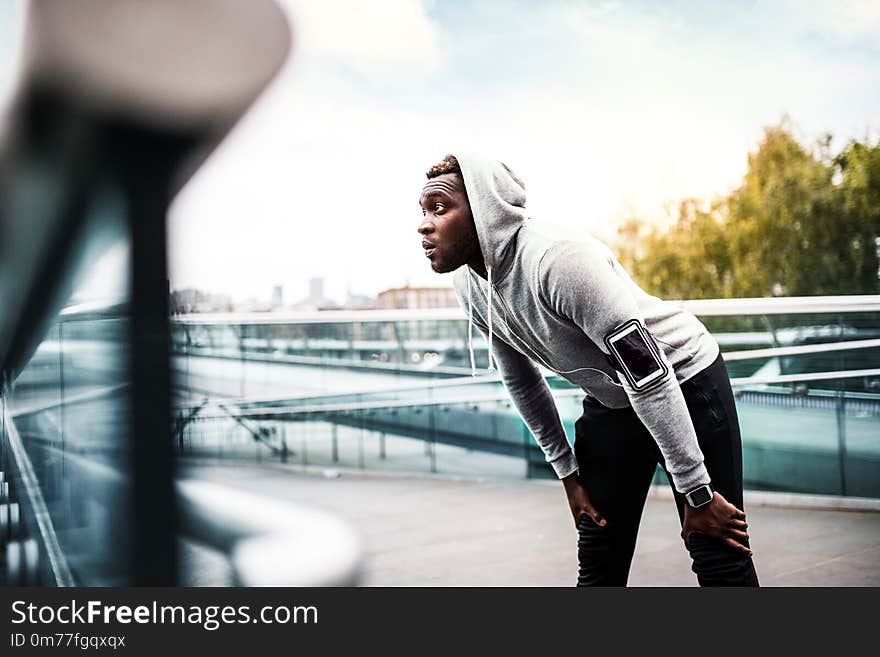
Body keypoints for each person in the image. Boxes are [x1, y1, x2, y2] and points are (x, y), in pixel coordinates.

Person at [416, 153, 759, 586]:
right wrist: (568, 473)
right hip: (612, 401)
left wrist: (696, 491)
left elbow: (648, 374)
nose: (424, 224)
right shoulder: (470, 284)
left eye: (440, 209)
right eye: (423, 211)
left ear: (484, 210)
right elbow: (520, 378)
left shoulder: (558, 262)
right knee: (598, 560)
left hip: (684, 380)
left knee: (718, 554)